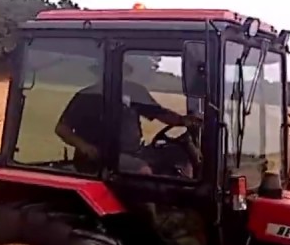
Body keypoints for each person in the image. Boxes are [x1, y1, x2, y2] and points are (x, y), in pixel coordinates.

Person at [54, 64, 198, 175]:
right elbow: (62, 129)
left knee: (180, 157)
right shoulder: (87, 96)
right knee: (142, 170)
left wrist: (184, 121)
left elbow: (160, 114)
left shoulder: (134, 91)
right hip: (101, 155)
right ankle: (148, 212)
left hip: (133, 151)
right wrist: (84, 146)